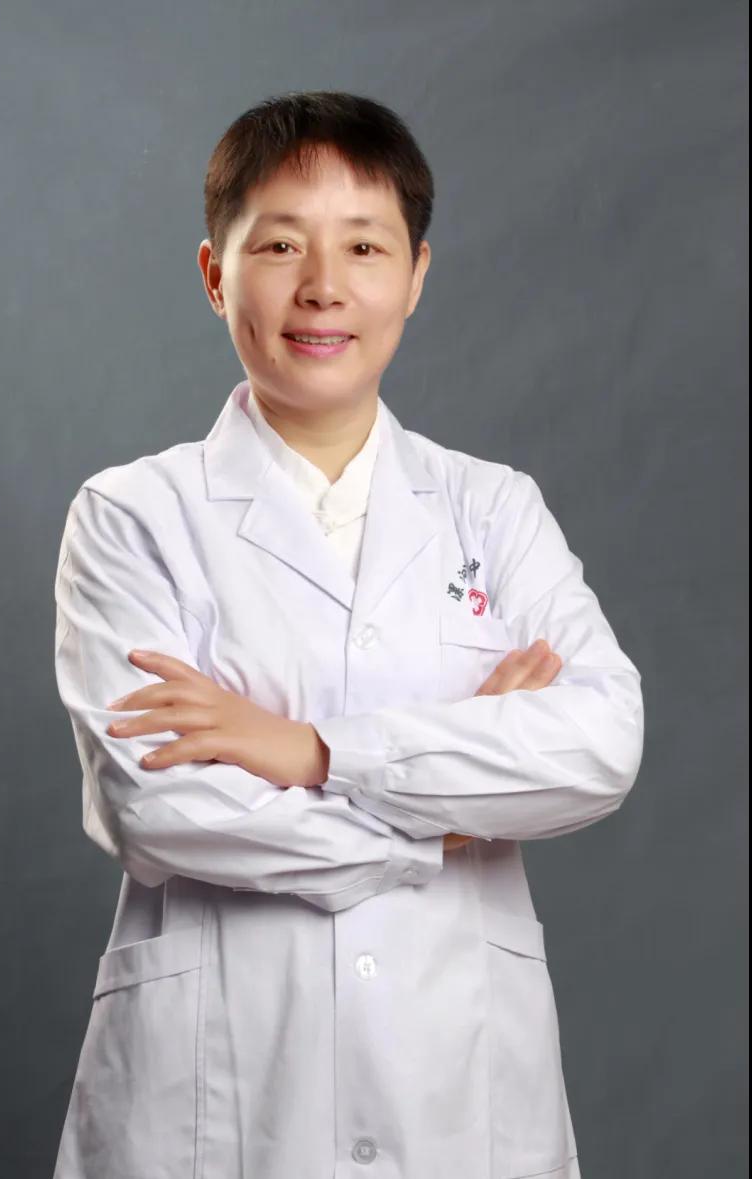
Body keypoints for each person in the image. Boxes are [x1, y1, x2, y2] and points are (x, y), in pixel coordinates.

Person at [51, 91, 644, 1179]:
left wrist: (310, 751)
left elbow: (598, 744)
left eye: (364, 246)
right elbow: (158, 808)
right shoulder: (134, 516)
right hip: (222, 1097)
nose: (322, 285)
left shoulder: (492, 509)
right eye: (280, 244)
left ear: (415, 276)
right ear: (215, 274)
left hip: (456, 1085)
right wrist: (441, 823)